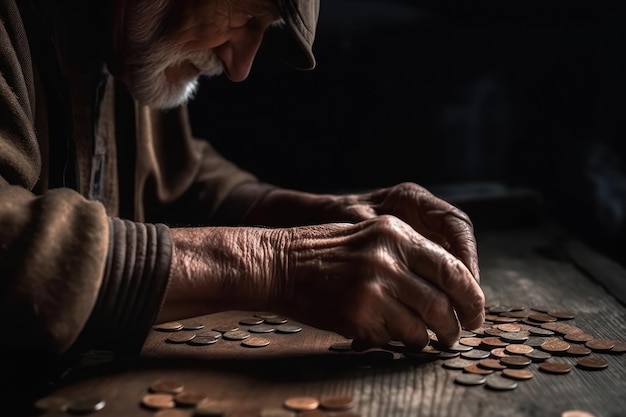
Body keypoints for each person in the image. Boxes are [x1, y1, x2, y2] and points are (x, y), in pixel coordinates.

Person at [0, 0, 484, 408]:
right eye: (243, 15)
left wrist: (316, 216)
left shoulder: (127, 33)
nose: (239, 66)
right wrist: (276, 263)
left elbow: (181, 180)